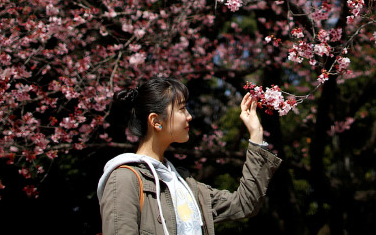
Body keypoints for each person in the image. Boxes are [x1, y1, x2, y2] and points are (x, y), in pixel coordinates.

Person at [97, 77, 281, 235]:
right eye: (182, 108)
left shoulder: (186, 184)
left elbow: (244, 204)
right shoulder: (124, 179)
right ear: (156, 121)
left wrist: (256, 134)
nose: (189, 116)